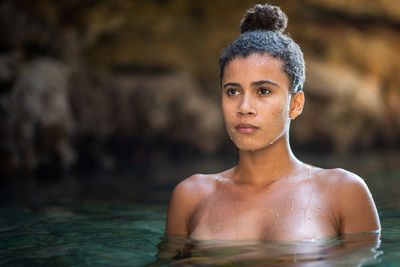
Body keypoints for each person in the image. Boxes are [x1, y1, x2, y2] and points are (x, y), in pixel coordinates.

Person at [165, 3, 380, 241]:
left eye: (264, 91)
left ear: (295, 104)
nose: (244, 107)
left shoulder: (344, 191)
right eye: (233, 92)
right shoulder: (191, 196)